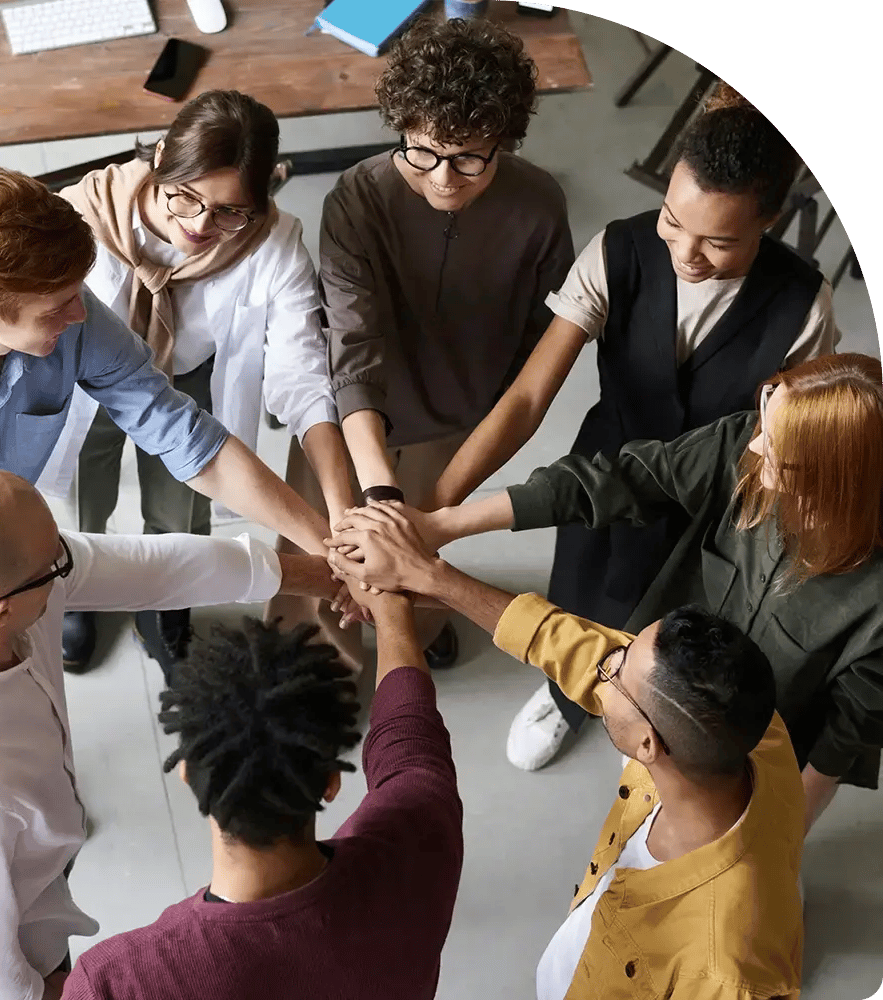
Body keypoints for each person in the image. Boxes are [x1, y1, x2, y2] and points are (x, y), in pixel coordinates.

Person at [429, 84, 839, 769]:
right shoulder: (618, 251)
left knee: (681, 626)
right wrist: (439, 504)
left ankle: (650, 714)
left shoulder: (802, 304)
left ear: (769, 222)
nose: (686, 254)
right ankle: (567, 696)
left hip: (717, 503)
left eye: (719, 242)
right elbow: (529, 396)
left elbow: (797, 440)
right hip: (603, 475)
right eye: (674, 221)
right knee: (583, 588)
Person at [337, 353, 883, 830]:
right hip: (658, 687)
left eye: (779, 453)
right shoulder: (747, 442)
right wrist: (440, 527)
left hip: (755, 758)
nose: (756, 443)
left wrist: (781, 836)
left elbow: (842, 741)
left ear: (836, 482)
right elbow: (621, 480)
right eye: (766, 414)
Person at [0, 468, 343, 1000]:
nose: (68, 560)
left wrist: (319, 574)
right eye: (54, 560)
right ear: (2, 613)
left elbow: (153, 569)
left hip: (22, 862)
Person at [327, 503, 805, 999]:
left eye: (617, 671)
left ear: (649, 744)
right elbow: (576, 645)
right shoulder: (751, 729)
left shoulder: (724, 969)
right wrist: (428, 575)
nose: (604, 664)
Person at [0, 166, 334, 670]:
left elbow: (185, 435)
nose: (79, 315)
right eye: (57, 308)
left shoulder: (70, 312)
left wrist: (330, 547)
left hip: (13, 582)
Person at [272, 15, 575, 673]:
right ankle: (321, 660)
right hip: (354, 417)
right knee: (326, 545)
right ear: (400, 129)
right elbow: (352, 347)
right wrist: (379, 498)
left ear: (505, 140)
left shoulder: (541, 209)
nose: (443, 178)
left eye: (470, 158)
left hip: (455, 420)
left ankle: (418, 622)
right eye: (424, 153)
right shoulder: (360, 195)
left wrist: (415, 519)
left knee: (421, 557)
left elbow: (535, 354)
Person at [43, 90, 350, 677]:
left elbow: (301, 373)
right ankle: (80, 584)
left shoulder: (272, 241)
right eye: (185, 197)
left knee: (181, 510)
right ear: (161, 158)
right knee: (85, 494)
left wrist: (336, 514)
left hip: (190, 378)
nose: (201, 226)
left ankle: (166, 601)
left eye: (230, 210)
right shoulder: (82, 213)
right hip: (88, 382)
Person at [60, 573, 462, 998]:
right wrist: (392, 608)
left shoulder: (115, 983)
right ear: (331, 780)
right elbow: (410, 738)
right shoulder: (421, 836)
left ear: (189, 776)